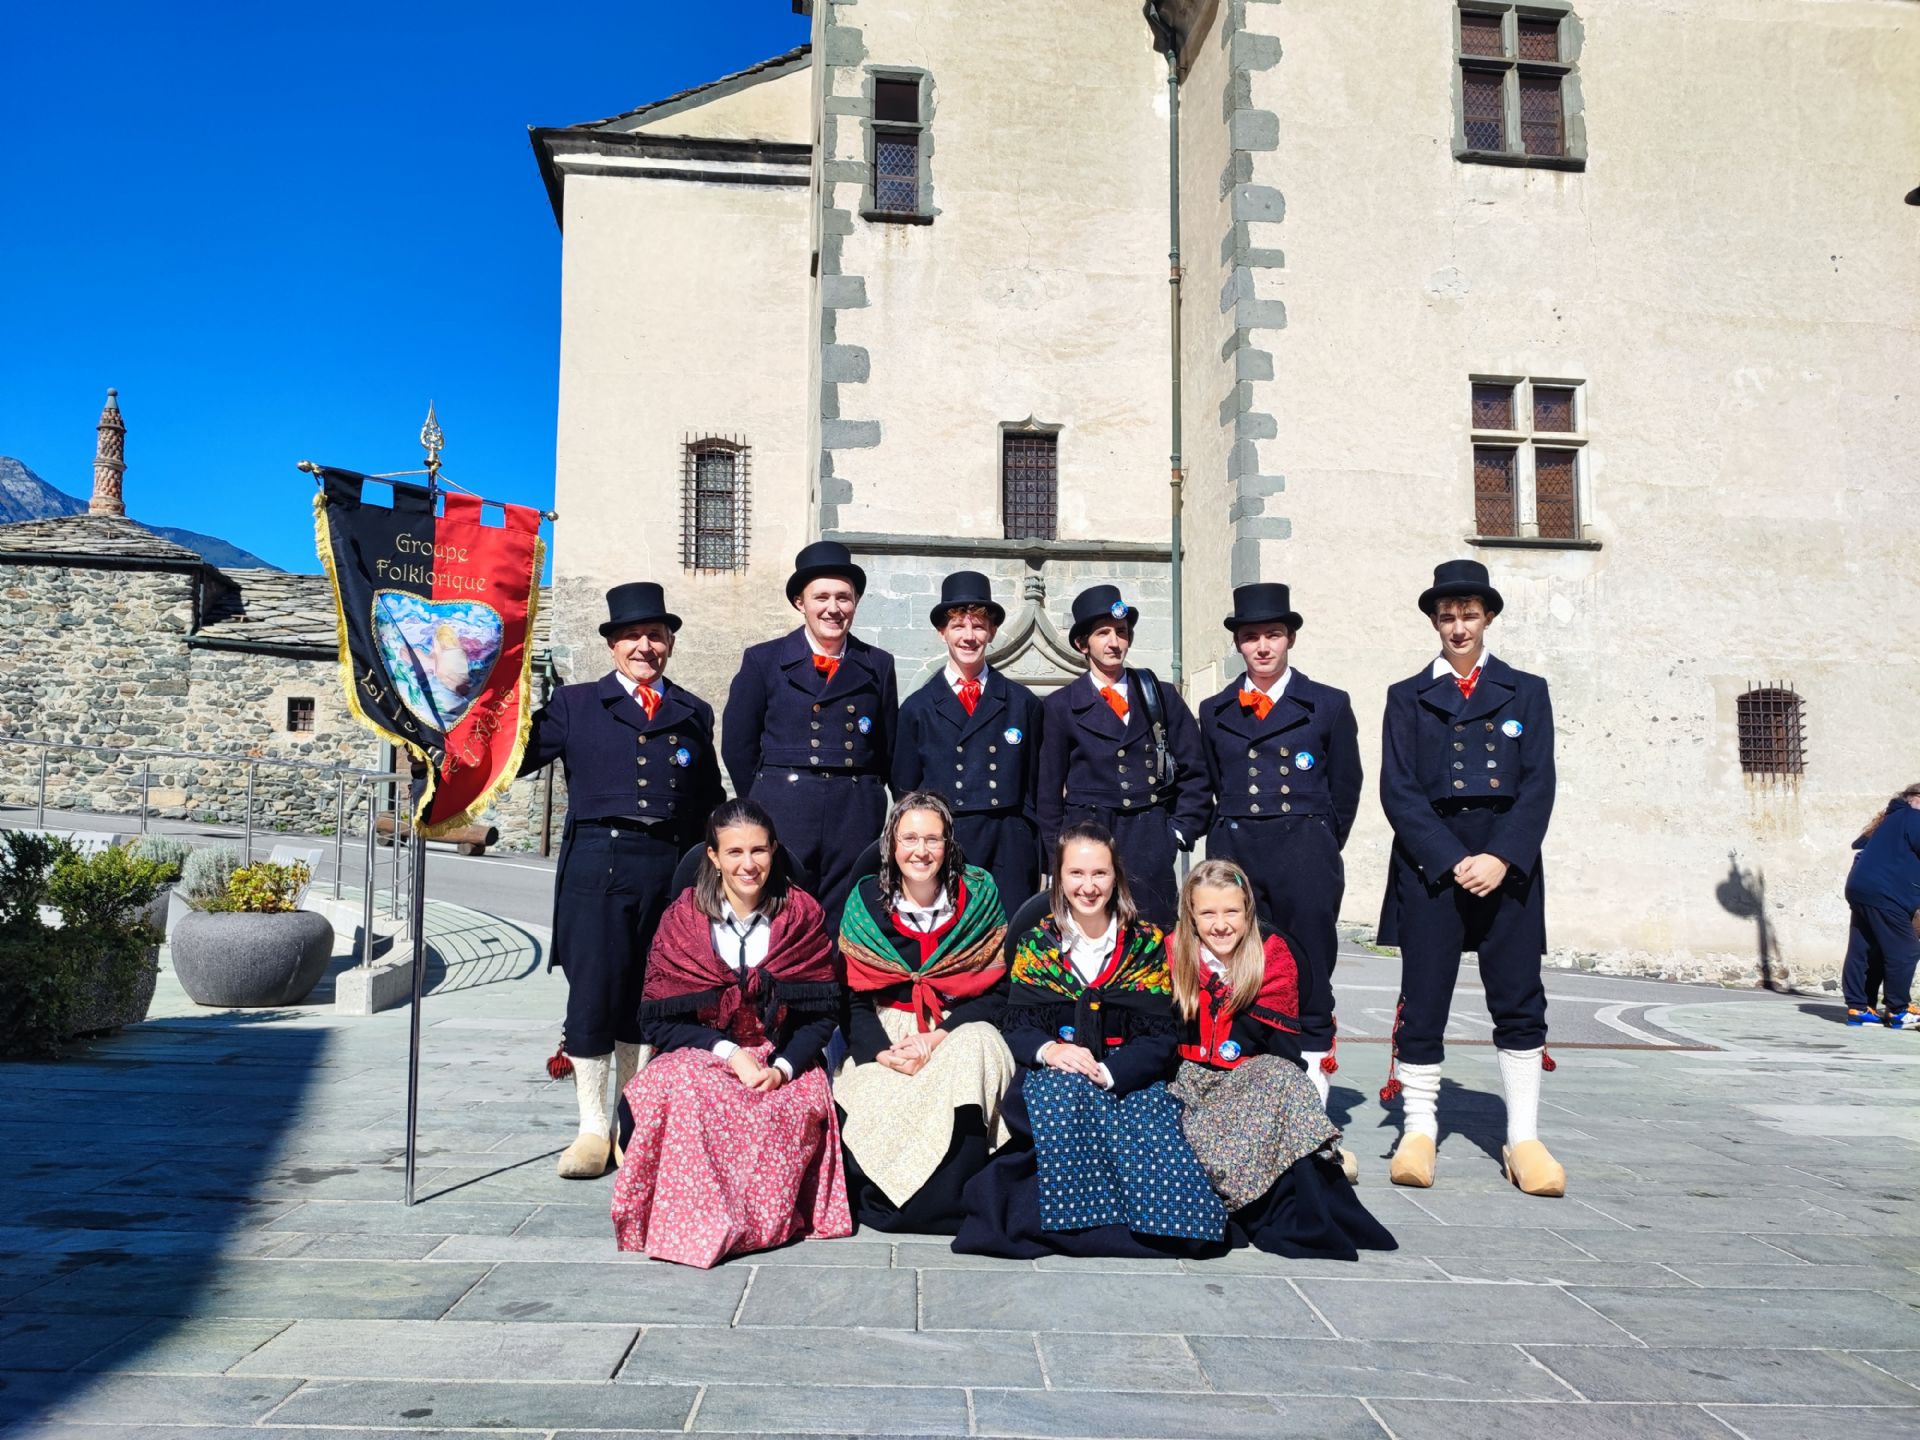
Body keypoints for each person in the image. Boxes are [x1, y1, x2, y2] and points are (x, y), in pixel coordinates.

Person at [517, 582, 724, 1179]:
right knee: (595, 992)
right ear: (612, 645)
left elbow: (709, 798)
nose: (644, 647)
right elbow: (516, 756)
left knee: (651, 992)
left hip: (669, 867)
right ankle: (590, 1129)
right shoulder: (575, 704)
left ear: (670, 644)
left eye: (655, 636)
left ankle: (631, 1122)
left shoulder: (693, 711)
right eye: (632, 636)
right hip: (597, 866)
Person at [953, 822, 1227, 1258]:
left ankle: (1144, 1225)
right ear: (1059, 878)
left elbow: (1159, 1036)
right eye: (1076, 873)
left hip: (1127, 1081)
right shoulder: (1036, 945)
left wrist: (1109, 1072)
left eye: (1099, 873)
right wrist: (1051, 1050)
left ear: (1116, 876)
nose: (1088, 886)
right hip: (1056, 1076)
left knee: (1158, 1143)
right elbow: (1017, 1025)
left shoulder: (1146, 945)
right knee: (1064, 1100)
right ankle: (1077, 1226)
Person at [1377, 559, 1564, 1197]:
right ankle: (1418, 1131)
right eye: (1448, 617)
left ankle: (1524, 1138)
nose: (1459, 628)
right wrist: (1452, 857)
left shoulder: (1526, 690)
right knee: (1424, 999)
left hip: (1507, 865)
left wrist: (1501, 856)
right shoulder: (1406, 695)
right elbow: (1398, 789)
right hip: (1433, 864)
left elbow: (1539, 784)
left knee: (1518, 998)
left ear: (1488, 619)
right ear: (1435, 622)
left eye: (1470, 616)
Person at [610, 799, 850, 1267]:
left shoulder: (800, 916)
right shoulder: (683, 920)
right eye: (734, 852)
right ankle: (695, 1225)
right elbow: (656, 1019)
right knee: (687, 1090)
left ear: (774, 851)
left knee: (777, 1109)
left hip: (783, 1055)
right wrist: (726, 1052)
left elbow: (823, 1014)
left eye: (758, 850)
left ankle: (754, 1225)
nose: (748, 864)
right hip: (703, 1052)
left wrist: (782, 1069)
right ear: (714, 856)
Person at [1167, 861, 1396, 1260]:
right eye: (1207, 913)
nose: (1220, 925)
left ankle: (1302, 1190)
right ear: (1191, 915)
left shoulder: (1272, 955)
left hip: (1248, 1082)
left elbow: (1283, 1053)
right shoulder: (1171, 952)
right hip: (1185, 1081)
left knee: (1285, 1079)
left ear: (1247, 911)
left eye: (1231, 911)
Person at [1198, 581, 1362, 1099]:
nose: (1263, 646)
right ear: (1238, 644)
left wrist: (1319, 840)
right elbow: (1212, 782)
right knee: (1237, 967)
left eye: (1273, 634)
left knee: (1309, 969)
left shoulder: (1328, 704)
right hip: (1238, 852)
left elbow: (1346, 788)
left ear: (1290, 638)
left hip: (1305, 854)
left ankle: (1312, 1092)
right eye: (1252, 637)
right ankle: (1241, 1085)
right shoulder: (1214, 710)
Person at [835, 791, 1016, 1232]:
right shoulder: (864, 904)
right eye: (909, 839)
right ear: (891, 844)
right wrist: (882, 1053)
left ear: (948, 844)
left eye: (933, 839)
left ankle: (958, 1195)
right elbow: (851, 998)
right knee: (873, 1091)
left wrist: (936, 1038)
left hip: (954, 1030)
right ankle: (898, 1200)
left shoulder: (979, 900)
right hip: (886, 1034)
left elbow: (997, 993)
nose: (921, 851)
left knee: (979, 1047)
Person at [722, 541, 899, 925]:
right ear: (800, 602)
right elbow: (737, 745)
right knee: (781, 917)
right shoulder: (763, 660)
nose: (833, 608)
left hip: (854, 816)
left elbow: (888, 749)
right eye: (821, 597)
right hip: (784, 812)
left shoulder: (878, 664)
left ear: (855, 603)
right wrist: (763, 801)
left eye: (843, 598)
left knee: (847, 920)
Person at [1036, 584, 1211, 928]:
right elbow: (1048, 794)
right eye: (1103, 633)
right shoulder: (1060, 706)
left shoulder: (1160, 696)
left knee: (1153, 936)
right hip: (1088, 840)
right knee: (1089, 935)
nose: (1114, 642)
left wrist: (1176, 834)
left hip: (1150, 839)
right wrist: (1060, 855)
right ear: (1082, 644)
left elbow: (1196, 772)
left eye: (1121, 632)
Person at [892, 571, 1046, 913]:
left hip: (1009, 845)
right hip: (949, 843)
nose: (969, 636)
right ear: (942, 632)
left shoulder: (1023, 704)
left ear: (992, 631)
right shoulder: (917, 709)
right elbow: (905, 790)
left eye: (978, 626)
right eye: (958, 626)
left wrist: (1037, 850)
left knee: (1010, 934)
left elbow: (1036, 787)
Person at [1842, 783, 1920, 1030]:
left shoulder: (1890, 819)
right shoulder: (1913, 818)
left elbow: (1860, 845)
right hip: (1887, 893)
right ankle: (1899, 1010)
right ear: (1916, 799)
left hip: (1861, 888)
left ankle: (1859, 1008)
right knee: (1906, 949)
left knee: (1865, 948)